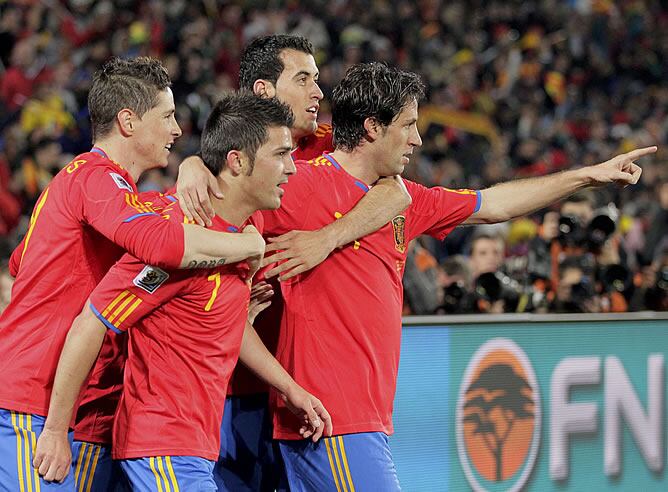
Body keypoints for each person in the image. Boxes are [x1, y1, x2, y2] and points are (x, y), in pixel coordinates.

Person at [259, 62, 654, 490]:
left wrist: (587, 177)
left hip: (359, 419)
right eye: (408, 125)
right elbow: (223, 210)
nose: (417, 139)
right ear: (373, 127)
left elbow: (494, 205)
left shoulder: (406, 200)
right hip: (330, 417)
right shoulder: (298, 186)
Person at [34, 92, 333, 490]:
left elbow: (223, 325)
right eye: (280, 155)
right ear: (237, 161)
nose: (291, 169)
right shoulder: (175, 240)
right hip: (160, 445)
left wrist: (290, 389)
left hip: (194, 445)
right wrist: (56, 429)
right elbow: (94, 320)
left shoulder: (247, 231)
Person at [0, 57, 264, 491]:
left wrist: (194, 165)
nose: (177, 130)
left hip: (72, 406)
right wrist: (248, 245)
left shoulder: (96, 190)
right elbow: (160, 243)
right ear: (128, 121)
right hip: (34, 399)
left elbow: (19, 265)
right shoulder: (93, 177)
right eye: (167, 116)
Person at [176, 35, 411, 491]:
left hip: (297, 385)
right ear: (264, 91)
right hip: (231, 382)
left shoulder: (331, 145)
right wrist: (192, 164)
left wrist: (326, 239)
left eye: (317, 80)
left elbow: (397, 190)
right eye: (304, 80)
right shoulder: (232, 157)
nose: (318, 93)